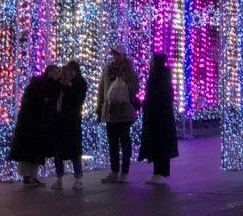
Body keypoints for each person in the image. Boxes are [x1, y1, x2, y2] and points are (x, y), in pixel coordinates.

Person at [9, 64, 60, 186]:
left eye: (56, 72)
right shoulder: (39, 83)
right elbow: (33, 101)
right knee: (29, 151)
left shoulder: (51, 85)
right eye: (53, 71)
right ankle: (28, 177)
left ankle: (32, 176)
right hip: (31, 123)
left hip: (39, 124)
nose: (54, 74)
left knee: (36, 152)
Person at [97, 44, 139, 183]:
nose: (115, 57)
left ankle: (124, 172)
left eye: (118, 54)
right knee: (113, 143)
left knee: (125, 141)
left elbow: (134, 88)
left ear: (123, 55)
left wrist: (123, 83)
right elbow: (102, 89)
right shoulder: (108, 69)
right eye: (114, 54)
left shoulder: (128, 70)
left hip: (124, 112)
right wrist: (99, 107)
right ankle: (114, 171)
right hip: (110, 112)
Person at [138, 53, 179, 184]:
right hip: (155, 115)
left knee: (161, 144)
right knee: (156, 144)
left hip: (160, 117)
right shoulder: (157, 74)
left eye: (152, 60)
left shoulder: (160, 76)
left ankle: (162, 172)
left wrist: (147, 104)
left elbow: (159, 96)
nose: (150, 62)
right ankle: (157, 172)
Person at [51, 60, 88, 189]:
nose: (67, 74)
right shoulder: (59, 82)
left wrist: (67, 86)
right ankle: (59, 178)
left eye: (70, 71)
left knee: (75, 151)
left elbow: (77, 100)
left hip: (72, 122)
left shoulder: (80, 83)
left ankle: (78, 178)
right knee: (58, 152)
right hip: (59, 122)